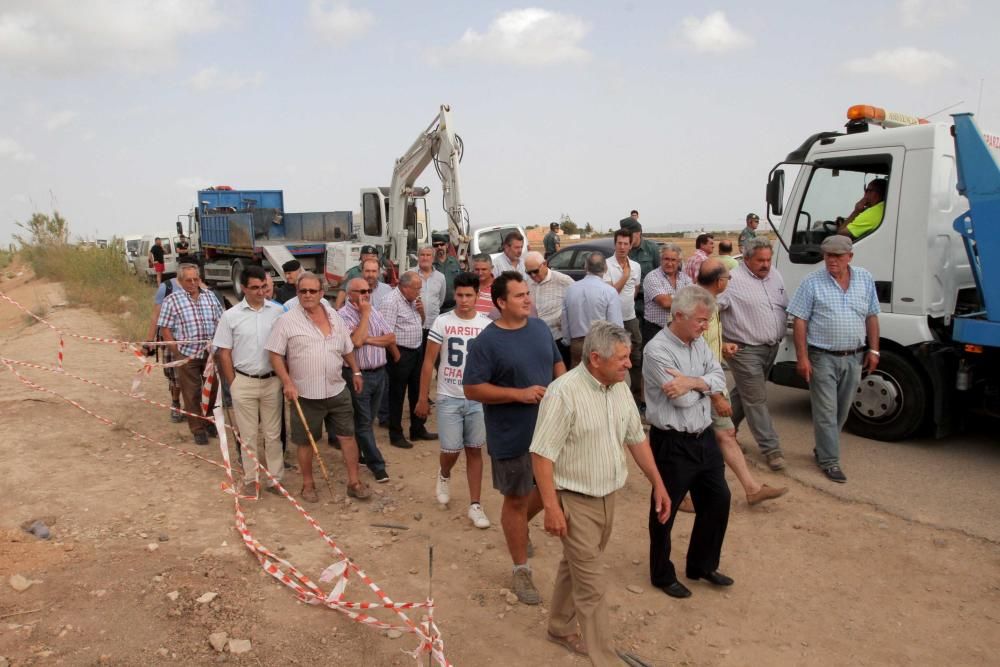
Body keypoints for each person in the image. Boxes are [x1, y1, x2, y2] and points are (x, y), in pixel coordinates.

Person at [530, 321, 670, 664]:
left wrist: (658, 484)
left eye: (628, 356)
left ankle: (560, 626)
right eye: (622, 358)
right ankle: (605, 659)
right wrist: (551, 508)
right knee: (592, 588)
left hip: (608, 498)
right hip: (576, 502)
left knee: (574, 565)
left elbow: (636, 439)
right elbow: (541, 454)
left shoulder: (619, 388)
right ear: (595, 358)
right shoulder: (563, 393)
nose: (629, 364)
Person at [464, 271, 566, 605]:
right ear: (501, 303)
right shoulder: (486, 342)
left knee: (553, 491)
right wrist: (517, 394)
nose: (528, 299)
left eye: (528, 294)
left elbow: (557, 366)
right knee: (517, 500)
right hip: (512, 435)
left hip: (549, 431)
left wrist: (566, 397)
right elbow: (473, 388)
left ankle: (519, 529)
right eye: (520, 295)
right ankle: (520, 569)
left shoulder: (539, 329)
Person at [643, 286, 732, 599]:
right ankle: (661, 573)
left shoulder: (699, 344)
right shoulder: (657, 350)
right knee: (665, 511)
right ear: (678, 316)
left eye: (707, 321)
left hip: (704, 437)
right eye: (700, 320)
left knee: (718, 500)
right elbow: (678, 402)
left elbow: (720, 377)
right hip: (672, 442)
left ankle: (701, 565)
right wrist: (708, 387)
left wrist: (693, 382)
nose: (705, 326)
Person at [688, 260, 787, 507]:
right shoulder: (697, 306)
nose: (729, 283)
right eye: (728, 279)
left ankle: (751, 489)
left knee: (724, 433)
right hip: (698, 387)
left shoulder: (705, 302)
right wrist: (715, 396)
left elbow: (704, 344)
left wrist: (722, 347)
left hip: (706, 383)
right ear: (719, 281)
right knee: (691, 440)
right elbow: (691, 354)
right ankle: (678, 492)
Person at [266, 271, 371, 502]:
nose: (308, 295)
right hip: (304, 394)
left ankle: (354, 482)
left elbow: (346, 347)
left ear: (321, 293)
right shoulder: (286, 321)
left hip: (336, 389)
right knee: (305, 443)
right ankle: (308, 484)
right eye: (303, 291)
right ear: (297, 293)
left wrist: (355, 370)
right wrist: (287, 382)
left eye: (313, 291)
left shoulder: (334, 316)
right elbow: (274, 354)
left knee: (347, 436)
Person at [788, 235, 880, 483]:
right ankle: (829, 460)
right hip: (822, 357)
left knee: (842, 410)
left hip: (854, 356)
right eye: (828, 255)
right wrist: (802, 358)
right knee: (826, 411)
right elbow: (800, 320)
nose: (832, 261)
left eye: (838, 256)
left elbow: (871, 315)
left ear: (850, 257)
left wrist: (874, 350)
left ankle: (824, 448)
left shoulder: (864, 278)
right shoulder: (811, 282)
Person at [415, 272, 493, 529]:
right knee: (451, 450)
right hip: (449, 395)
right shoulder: (442, 322)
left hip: (477, 398)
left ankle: (475, 504)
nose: (463, 300)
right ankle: (444, 474)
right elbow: (428, 363)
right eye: (459, 295)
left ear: (477, 295)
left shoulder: (486, 325)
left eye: (468, 295)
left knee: (474, 449)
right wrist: (422, 397)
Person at [716, 237, 790, 471]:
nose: (766, 264)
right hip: (743, 349)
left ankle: (720, 432)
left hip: (770, 348)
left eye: (768, 259)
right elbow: (710, 310)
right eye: (760, 260)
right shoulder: (731, 280)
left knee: (745, 394)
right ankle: (772, 449)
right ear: (746, 259)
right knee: (756, 399)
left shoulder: (775, 275)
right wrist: (720, 341)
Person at [213, 266, 285, 493]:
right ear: (243, 288)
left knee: (274, 434)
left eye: (263, 286)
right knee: (248, 434)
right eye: (254, 288)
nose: (260, 292)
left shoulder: (277, 312)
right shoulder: (230, 316)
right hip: (243, 382)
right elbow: (223, 352)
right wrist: (233, 382)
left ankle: (275, 479)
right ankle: (251, 480)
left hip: (272, 382)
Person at [157, 263, 224, 445]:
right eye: (189, 280)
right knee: (192, 392)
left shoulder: (210, 296)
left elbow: (222, 322)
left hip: (211, 355)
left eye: (196, 279)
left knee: (212, 390)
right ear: (180, 281)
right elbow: (165, 329)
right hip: (187, 355)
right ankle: (197, 429)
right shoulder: (172, 300)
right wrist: (177, 353)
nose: (193, 283)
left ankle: (209, 421)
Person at [339, 277, 397, 483]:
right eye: (361, 291)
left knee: (367, 420)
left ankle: (360, 453)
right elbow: (354, 342)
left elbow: (390, 338)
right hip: (358, 375)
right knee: (364, 423)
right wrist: (364, 316)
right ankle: (377, 466)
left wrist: (368, 339)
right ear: (349, 294)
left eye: (368, 291)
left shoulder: (375, 311)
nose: (366, 295)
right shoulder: (342, 316)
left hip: (379, 373)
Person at [379, 271, 436, 449]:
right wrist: (396, 356)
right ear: (404, 287)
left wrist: (421, 312)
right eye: (417, 288)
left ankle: (417, 429)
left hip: (416, 350)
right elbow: (386, 332)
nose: (419, 292)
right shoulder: (390, 302)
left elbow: (421, 323)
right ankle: (395, 434)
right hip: (401, 352)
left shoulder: (413, 300)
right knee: (397, 395)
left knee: (417, 391)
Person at [561, 253, 623, 368]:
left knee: (577, 380)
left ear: (585, 267)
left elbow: (565, 320)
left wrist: (568, 341)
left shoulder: (571, 289)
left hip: (577, 344)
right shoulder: (609, 292)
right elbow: (615, 325)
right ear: (605, 268)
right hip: (600, 344)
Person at [603, 229, 643, 404]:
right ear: (614, 244)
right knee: (612, 357)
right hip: (612, 321)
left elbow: (635, 291)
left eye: (626, 243)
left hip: (630, 317)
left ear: (630, 245)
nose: (622, 247)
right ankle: (612, 397)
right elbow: (610, 293)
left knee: (635, 357)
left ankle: (635, 397)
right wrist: (625, 276)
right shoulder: (606, 265)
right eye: (619, 243)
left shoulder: (636, 266)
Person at [523, 251, 574, 368]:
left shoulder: (563, 281)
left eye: (535, 271)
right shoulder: (527, 283)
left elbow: (577, 305)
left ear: (545, 264)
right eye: (529, 273)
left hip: (558, 340)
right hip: (535, 340)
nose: (533, 276)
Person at [145, 272, 183, 422]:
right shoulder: (166, 288)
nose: (193, 281)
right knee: (175, 377)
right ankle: (176, 403)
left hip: (194, 342)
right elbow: (156, 316)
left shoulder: (201, 288)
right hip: (171, 339)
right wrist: (149, 341)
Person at [641, 244, 692, 346]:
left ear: (679, 262)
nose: (669, 263)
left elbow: (694, 300)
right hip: (655, 330)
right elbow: (664, 302)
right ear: (661, 260)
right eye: (666, 259)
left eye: (673, 260)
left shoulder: (684, 278)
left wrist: (671, 297)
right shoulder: (652, 277)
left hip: (678, 331)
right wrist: (684, 299)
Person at [621, 218, 660, 328]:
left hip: (649, 301)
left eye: (630, 235)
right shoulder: (623, 249)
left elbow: (660, 273)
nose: (627, 239)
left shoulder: (651, 248)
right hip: (630, 301)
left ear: (638, 233)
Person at [416, 245, 447, 345]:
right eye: (422, 255)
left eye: (428, 255)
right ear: (418, 257)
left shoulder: (440, 277)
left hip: (433, 325)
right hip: (415, 325)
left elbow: (441, 300)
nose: (425, 258)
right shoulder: (410, 274)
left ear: (433, 258)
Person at [432, 232, 462, 312]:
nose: (439, 247)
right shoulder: (430, 265)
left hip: (454, 307)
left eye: (442, 244)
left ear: (447, 245)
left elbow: (461, 282)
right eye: (435, 245)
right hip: (437, 309)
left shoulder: (455, 262)